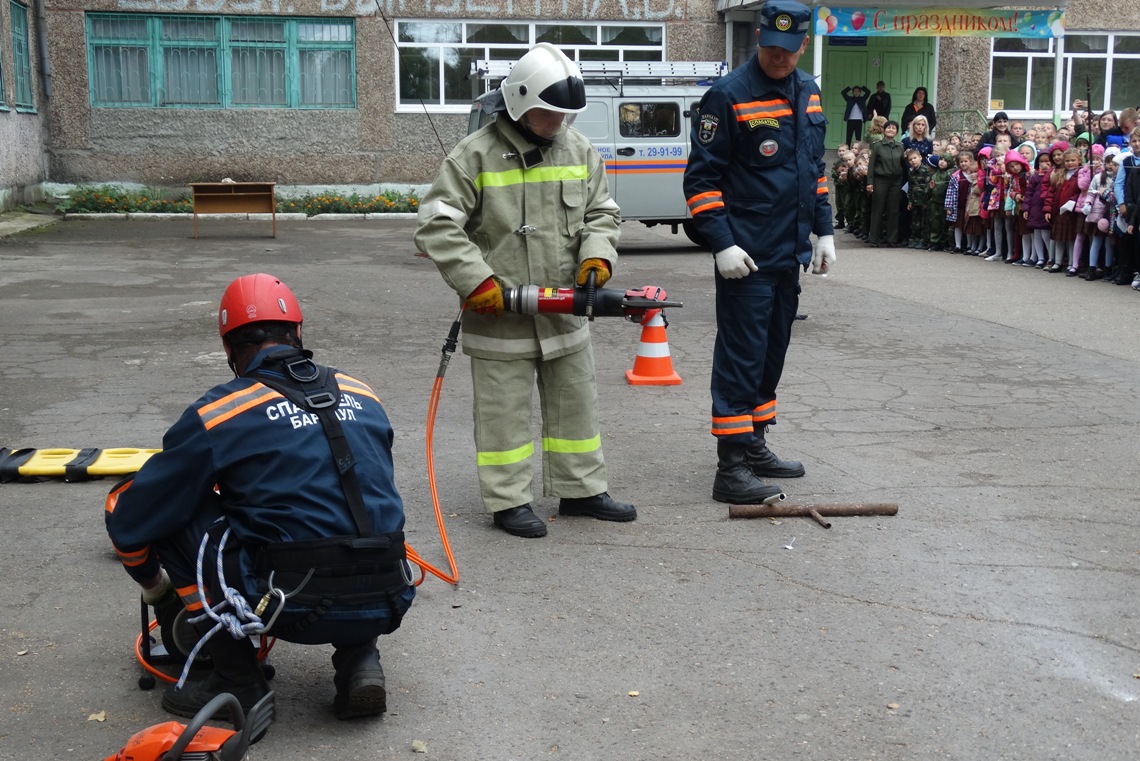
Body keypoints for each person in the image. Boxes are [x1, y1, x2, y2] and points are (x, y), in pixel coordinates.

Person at [105, 273, 416, 732]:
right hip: (390, 595)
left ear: (229, 349)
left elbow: (133, 518)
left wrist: (158, 591)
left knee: (160, 509)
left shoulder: (222, 410)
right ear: (298, 334)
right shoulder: (362, 393)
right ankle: (359, 657)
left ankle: (239, 682)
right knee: (351, 507)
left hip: (291, 605)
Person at [413, 43, 635, 538]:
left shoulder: (578, 150)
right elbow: (436, 225)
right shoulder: (473, 155)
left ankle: (581, 491)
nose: (557, 121)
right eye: (547, 112)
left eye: (563, 114)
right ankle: (508, 501)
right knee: (503, 414)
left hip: (564, 312)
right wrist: (477, 281)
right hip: (499, 313)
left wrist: (597, 255)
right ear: (517, 100)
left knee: (576, 403)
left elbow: (602, 212)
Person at [682, 0, 834, 505]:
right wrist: (721, 243)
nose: (780, 58)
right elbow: (701, 181)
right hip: (746, 258)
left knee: (771, 356)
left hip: (787, 253)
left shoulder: (809, 91)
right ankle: (731, 469)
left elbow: (813, 171)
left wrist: (824, 231)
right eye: (771, 48)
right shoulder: (727, 96)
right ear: (759, 38)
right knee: (740, 359)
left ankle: (755, 444)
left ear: (803, 45)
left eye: (789, 51)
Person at [866, 120, 904, 247]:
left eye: (894, 128)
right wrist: (870, 182)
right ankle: (874, 239)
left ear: (897, 131)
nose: (891, 130)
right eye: (888, 128)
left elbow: (902, 164)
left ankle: (891, 239)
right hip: (880, 180)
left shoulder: (900, 146)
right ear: (884, 130)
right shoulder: (877, 146)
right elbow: (871, 166)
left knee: (893, 210)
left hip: (895, 182)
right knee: (878, 209)